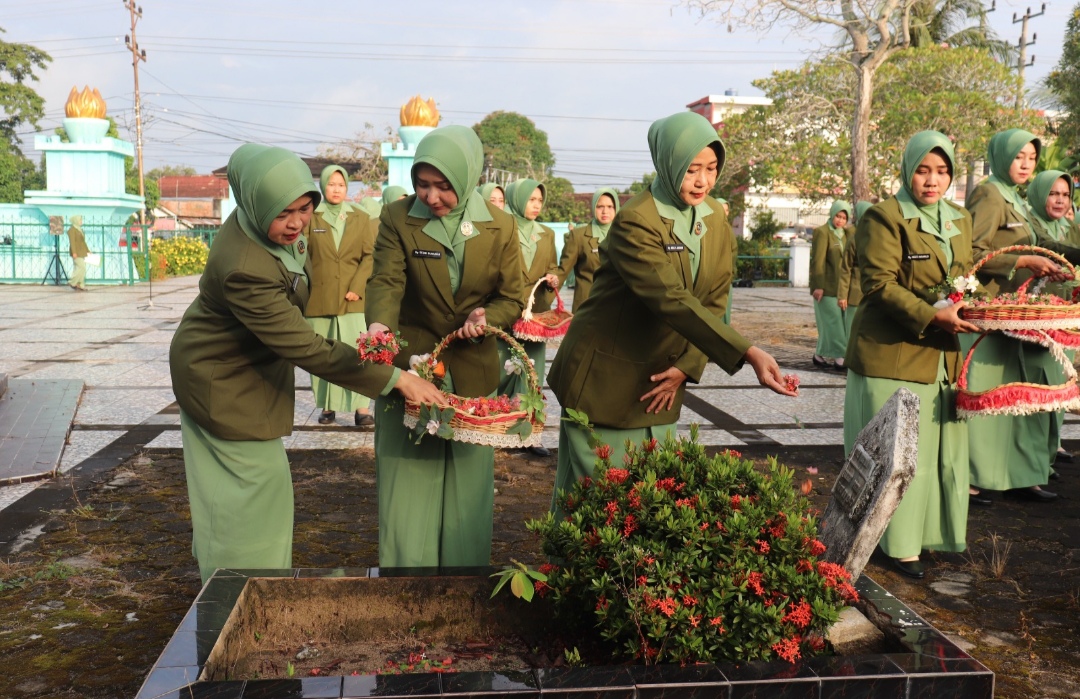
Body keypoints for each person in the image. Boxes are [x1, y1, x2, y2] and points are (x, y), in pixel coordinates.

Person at [170, 144, 442, 584]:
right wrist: (395, 379)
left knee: (244, 492)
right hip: (219, 377)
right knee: (252, 490)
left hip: (239, 366)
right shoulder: (244, 268)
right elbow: (308, 348)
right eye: (283, 213)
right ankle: (236, 592)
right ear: (258, 204)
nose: (296, 223)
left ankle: (250, 582)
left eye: (304, 208)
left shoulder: (259, 225)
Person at [547, 112, 795, 517]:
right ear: (667, 163)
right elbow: (671, 298)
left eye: (712, 169)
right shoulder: (635, 221)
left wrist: (687, 364)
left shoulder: (715, 219)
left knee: (648, 495)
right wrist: (748, 353)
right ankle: (564, 578)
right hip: (604, 377)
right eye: (691, 169)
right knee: (599, 502)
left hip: (661, 377)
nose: (702, 181)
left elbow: (715, 302)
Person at [364, 125, 524, 568]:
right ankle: (405, 585)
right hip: (413, 369)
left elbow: (512, 296)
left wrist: (486, 319)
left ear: (469, 177)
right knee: (407, 483)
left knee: (467, 491)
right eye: (422, 183)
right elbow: (386, 281)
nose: (431, 197)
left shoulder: (501, 226)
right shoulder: (399, 218)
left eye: (443, 186)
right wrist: (379, 326)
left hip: (473, 372)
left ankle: (464, 584)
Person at [844, 132, 980, 580]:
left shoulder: (959, 217)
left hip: (942, 354)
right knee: (902, 455)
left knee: (943, 452)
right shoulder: (884, 217)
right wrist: (933, 315)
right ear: (907, 170)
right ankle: (895, 545)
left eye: (942, 172)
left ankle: (931, 535)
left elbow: (970, 274)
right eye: (923, 170)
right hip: (893, 353)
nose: (932, 180)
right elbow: (879, 285)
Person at [964, 129, 1080, 505]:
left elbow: (1038, 245)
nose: (1027, 163)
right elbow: (972, 253)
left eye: (1031, 157)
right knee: (987, 397)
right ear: (1001, 157)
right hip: (991, 314)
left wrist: (1057, 260)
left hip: (1016, 315)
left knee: (1014, 401)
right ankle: (972, 478)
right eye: (1019, 156)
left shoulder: (1013, 197)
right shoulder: (989, 192)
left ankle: (1016, 475)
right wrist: (1022, 262)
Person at [304, 165, 377, 427]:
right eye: (332, 184)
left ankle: (361, 408)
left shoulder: (360, 216)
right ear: (323, 186)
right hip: (319, 299)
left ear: (347, 188)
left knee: (356, 353)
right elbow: (302, 255)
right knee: (324, 355)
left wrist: (357, 286)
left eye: (341, 185)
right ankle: (328, 407)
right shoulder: (311, 217)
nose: (336, 189)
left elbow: (369, 255)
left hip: (353, 300)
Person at [500, 178, 560, 457]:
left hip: (535, 316)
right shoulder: (502, 228)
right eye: (530, 199)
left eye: (539, 200)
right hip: (506, 310)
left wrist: (554, 277)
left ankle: (528, 435)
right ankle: (500, 429)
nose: (535, 205)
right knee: (504, 370)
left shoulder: (546, 233)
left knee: (532, 374)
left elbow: (553, 265)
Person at [1027, 170, 1080, 465]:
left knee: (1062, 380)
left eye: (1065, 195)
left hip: (1064, 316)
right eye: (1053, 193)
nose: (1060, 200)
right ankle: (1040, 452)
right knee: (1042, 383)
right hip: (1034, 317)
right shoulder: (1032, 224)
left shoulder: (1067, 227)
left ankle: (1052, 444)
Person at [557, 187, 619, 311]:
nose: (605, 211)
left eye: (610, 206)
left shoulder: (625, 235)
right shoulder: (579, 235)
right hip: (587, 307)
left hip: (617, 306)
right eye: (600, 206)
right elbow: (563, 270)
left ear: (616, 208)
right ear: (593, 208)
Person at [810, 201, 854, 369]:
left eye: (844, 218)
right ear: (832, 214)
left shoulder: (847, 234)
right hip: (826, 287)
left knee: (836, 323)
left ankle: (819, 355)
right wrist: (818, 285)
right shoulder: (822, 232)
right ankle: (840, 357)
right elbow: (818, 261)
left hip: (841, 288)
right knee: (833, 323)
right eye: (838, 216)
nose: (840, 221)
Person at [837, 201, 874, 337]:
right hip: (855, 295)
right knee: (853, 331)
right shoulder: (854, 239)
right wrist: (842, 295)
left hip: (874, 295)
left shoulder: (879, 238)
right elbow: (846, 269)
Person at [66, 215, 89, 291]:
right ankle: (72, 282)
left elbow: (83, 242)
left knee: (80, 268)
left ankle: (80, 284)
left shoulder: (80, 230)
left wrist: (88, 250)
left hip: (82, 251)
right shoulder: (72, 230)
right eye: (80, 220)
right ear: (75, 221)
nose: (81, 222)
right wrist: (74, 252)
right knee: (81, 267)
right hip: (76, 252)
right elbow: (72, 242)